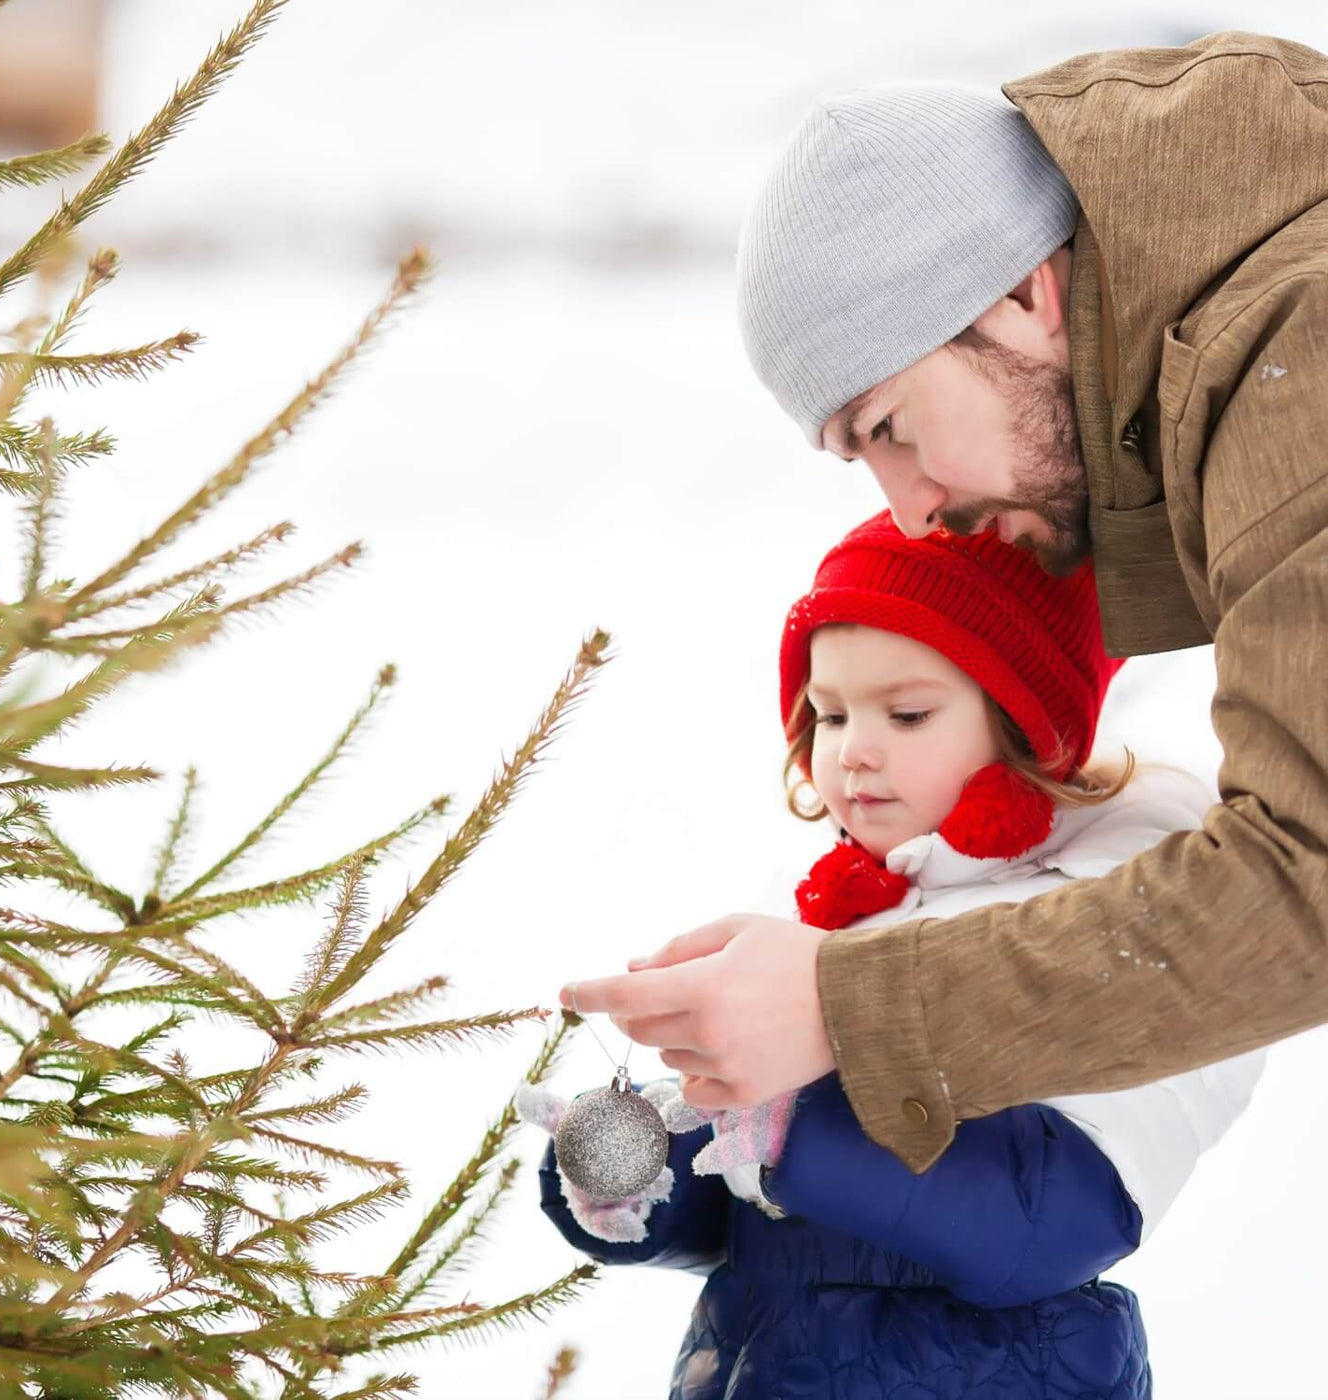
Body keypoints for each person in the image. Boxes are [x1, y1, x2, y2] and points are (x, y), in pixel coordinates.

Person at [562, 32, 1328, 1174]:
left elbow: (1307, 875)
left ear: (1022, 292)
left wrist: (845, 1008)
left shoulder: (1298, 348)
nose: (912, 512)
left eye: (890, 427)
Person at [527, 512, 1262, 1399]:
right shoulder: (819, 915)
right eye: (829, 714)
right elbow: (761, 1216)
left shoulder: (1112, 924)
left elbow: (1047, 1223)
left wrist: (795, 1124)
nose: (852, 750)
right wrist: (648, 1177)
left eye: (907, 713)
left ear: (1028, 721)